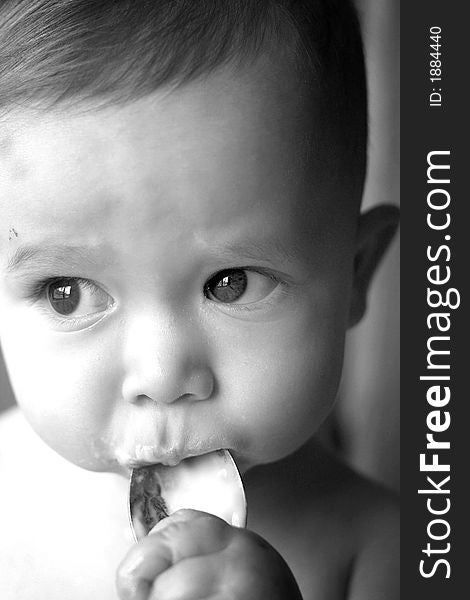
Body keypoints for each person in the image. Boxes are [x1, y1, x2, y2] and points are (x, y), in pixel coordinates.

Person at [0, 1, 399, 598]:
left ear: (356, 274)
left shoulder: (383, 554)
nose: (162, 377)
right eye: (67, 294)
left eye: (231, 283)